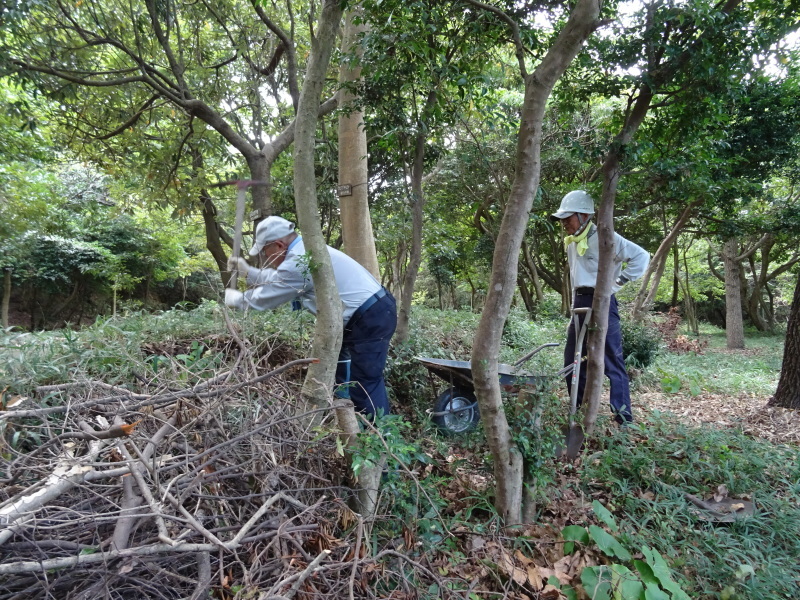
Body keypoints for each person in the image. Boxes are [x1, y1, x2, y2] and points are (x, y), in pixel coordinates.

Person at [225, 216, 397, 419]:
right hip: (369, 312)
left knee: (365, 381)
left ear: (279, 245)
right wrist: (248, 273)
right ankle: (345, 416)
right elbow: (282, 278)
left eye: (265, 251)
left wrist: (237, 300)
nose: (265, 256)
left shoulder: (300, 260)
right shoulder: (303, 252)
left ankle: (379, 436)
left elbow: (269, 296)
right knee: (341, 362)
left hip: (370, 317)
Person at [551, 190, 649, 424]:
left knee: (611, 360)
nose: (564, 223)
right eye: (562, 219)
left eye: (568, 218)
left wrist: (617, 284)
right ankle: (579, 411)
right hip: (580, 301)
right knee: (573, 360)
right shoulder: (572, 242)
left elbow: (641, 256)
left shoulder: (605, 238)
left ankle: (623, 417)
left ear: (584, 215)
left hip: (603, 302)